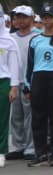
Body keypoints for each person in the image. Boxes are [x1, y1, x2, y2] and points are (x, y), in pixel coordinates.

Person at [25, 7, 53, 167]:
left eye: (50, 17)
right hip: (38, 77)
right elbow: (29, 65)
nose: (47, 21)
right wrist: (27, 86)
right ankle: (40, 152)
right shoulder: (35, 40)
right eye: (44, 17)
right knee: (38, 117)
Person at [6, 6, 38, 160]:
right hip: (14, 81)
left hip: (30, 82)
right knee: (15, 116)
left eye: (24, 17)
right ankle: (17, 146)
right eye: (18, 17)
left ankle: (30, 147)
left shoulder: (38, 36)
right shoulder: (10, 37)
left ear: (32, 19)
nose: (21, 20)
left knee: (29, 116)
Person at [0, 10, 18, 159]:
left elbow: (14, 65)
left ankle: (1, 151)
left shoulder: (8, 40)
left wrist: (14, 86)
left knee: (2, 118)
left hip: (3, 81)